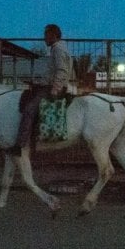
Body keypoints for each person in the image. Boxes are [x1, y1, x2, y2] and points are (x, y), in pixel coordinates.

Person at [13, 23, 73, 155]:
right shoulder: (58, 49)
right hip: (49, 86)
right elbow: (51, 74)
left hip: (52, 88)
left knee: (29, 109)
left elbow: (61, 71)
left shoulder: (58, 49)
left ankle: (21, 144)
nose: (44, 38)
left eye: (46, 35)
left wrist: (55, 90)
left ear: (53, 35)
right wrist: (36, 82)